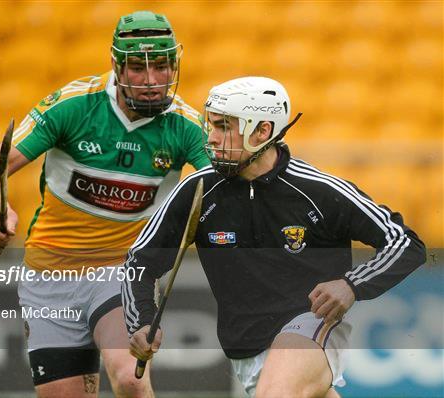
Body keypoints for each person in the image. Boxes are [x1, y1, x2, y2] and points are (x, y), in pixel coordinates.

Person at [122, 76, 426, 398]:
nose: (211, 138)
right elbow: (139, 261)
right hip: (246, 351)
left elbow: (405, 243)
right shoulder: (197, 191)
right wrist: (140, 321)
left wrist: (351, 284)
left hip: (311, 327)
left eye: (224, 126)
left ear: (263, 131)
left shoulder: (317, 191)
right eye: (209, 125)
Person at [0, 10, 209, 398]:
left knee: (130, 379)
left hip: (122, 270)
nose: (152, 81)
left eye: (164, 67)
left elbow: (216, 187)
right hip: (50, 274)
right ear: (116, 65)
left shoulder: (185, 125)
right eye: (137, 68)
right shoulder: (73, 106)